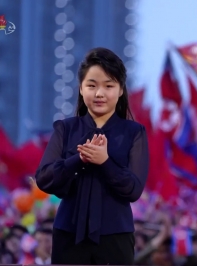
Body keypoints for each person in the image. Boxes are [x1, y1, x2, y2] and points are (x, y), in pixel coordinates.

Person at [35, 47, 149, 265]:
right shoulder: (65, 129)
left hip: (116, 236)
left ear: (121, 90)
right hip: (68, 233)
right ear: (80, 89)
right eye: (91, 85)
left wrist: (105, 162)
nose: (99, 93)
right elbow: (44, 177)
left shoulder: (134, 133)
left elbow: (134, 189)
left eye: (109, 86)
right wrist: (79, 159)